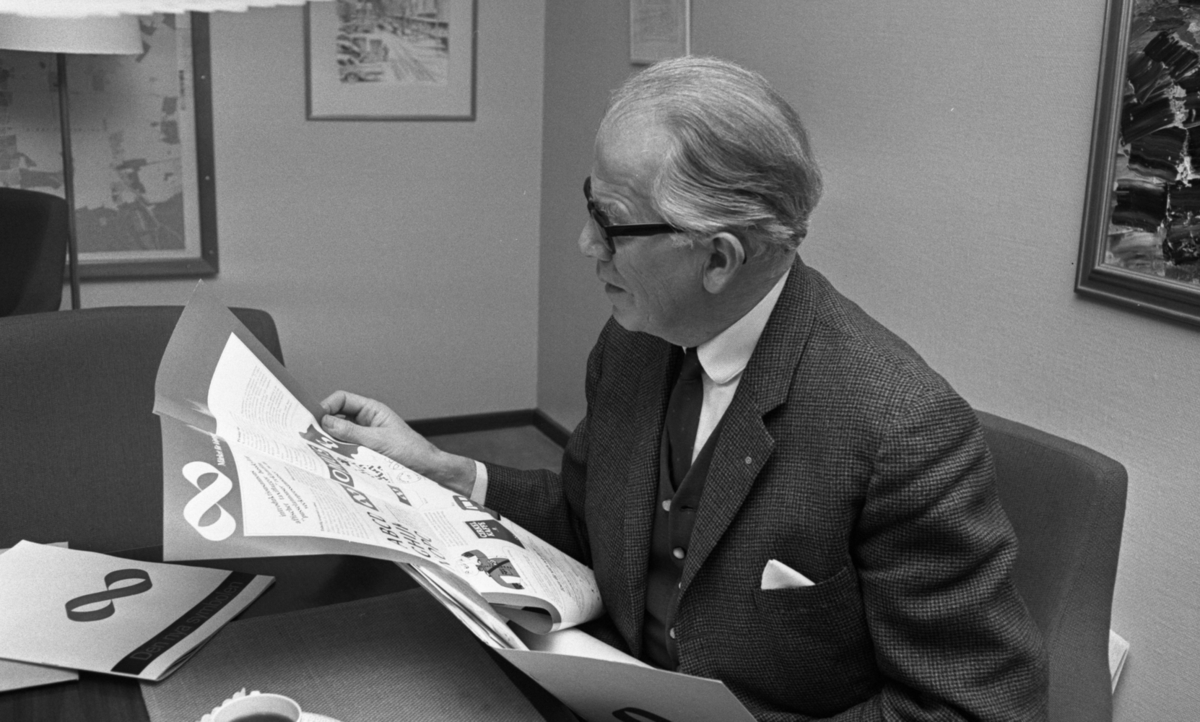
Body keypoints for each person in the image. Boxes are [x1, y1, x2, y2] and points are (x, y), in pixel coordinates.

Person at [320, 56, 1048, 721]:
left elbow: (973, 710)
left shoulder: (900, 428)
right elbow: (588, 520)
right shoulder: (634, 342)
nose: (586, 244)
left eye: (611, 224)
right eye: (591, 204)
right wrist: (447, 472)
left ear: (718, 259)